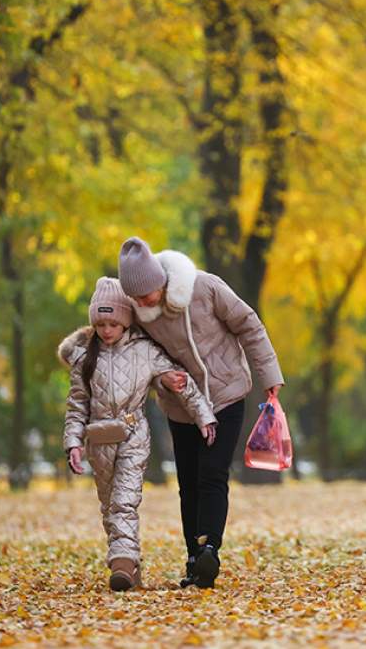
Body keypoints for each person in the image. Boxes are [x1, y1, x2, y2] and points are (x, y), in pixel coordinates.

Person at [118, 237, 284, 589]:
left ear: (160, 281)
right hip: (181, 407)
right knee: (188, 484)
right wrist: (162, 380)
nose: (143, 302)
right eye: (135, 298)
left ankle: (209, 548)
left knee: (213, 473)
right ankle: (193, 560)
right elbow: (140, 360)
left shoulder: (204, 287)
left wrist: (269, 376)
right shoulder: (140, 316)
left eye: (146, 293)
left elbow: (249, 325)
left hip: (227, 394)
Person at [60, 277, 215, 591]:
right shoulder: (84, 358)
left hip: (133, 436)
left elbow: (180, 383)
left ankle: (122, 563)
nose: (107, 330)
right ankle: (131, 567)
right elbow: (77, 404)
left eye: (113, 323)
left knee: (124, 502)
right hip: (99, 440)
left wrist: (204, 417)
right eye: (100, 323)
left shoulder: (145, 351)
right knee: (109, 507)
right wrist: (73, 442)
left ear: (125, 321)